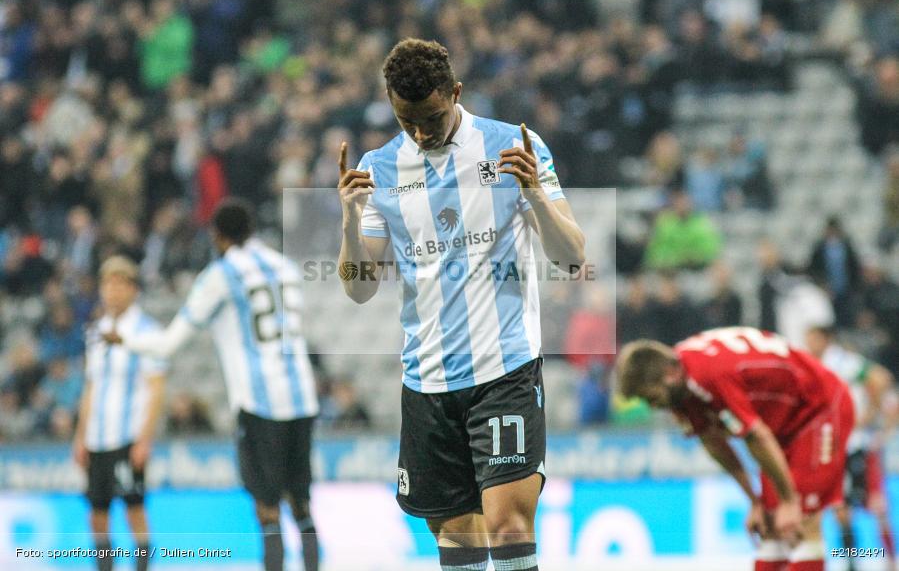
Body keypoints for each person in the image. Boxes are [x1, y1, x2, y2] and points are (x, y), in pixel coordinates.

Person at [337, 38, 585, 571]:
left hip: (504, 367)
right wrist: (350, 220)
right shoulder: (379, 169)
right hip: (426, 381)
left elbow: (571, 257)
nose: (422, 133)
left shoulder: (513, 144)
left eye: (431, 116)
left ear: (456, 92)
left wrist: (536, 194)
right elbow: (359, 286)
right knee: (458, 541)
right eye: (407, 122)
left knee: (510, 527)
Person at [103, 199, 320, 571]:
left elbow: (170, 343)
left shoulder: (221, 274)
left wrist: (125, 340)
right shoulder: (285, 266)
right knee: (301, 503)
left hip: (260, 403)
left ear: (217, 236)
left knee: (266, 508)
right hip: (302, 398)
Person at [617, 327, 854, 571]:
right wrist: (755, 502)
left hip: (820, 409)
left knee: (802, 521)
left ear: (669, 374)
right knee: (770, 526)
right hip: (781, 426)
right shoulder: (681, 385)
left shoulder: (709, 375)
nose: (653, 406)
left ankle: (861, 555)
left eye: (651, 397)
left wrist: (789, 499)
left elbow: (756, 436)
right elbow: (713, 442)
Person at [73, 256, 167, 571]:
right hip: (98, 438)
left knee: (134, 509)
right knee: (97, 514)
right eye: (107, 284)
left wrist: (144, 439)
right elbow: (90, 386)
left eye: (119, 284)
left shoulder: (147, 331)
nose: (112, 292)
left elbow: (155, 387)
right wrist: (80, 435)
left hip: (128, 437)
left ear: (132, 289)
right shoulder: (96, 331)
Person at [805, 326, 897, 571]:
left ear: (826, 339)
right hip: (836, 448)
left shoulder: (841, 361)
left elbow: (880, 378)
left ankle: (890, 560)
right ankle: (851, 562)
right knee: (841, 508)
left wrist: (869, 414)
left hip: (858, 446)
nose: (809, 344)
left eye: (813, 338)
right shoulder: (817, 365)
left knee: (876, 507)